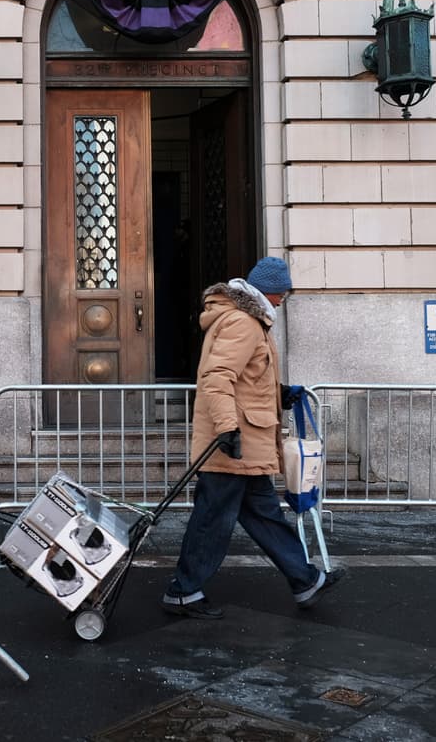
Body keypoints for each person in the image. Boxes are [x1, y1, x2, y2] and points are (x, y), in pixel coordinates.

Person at [161, 256, 345, 619]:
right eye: (282, 293)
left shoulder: (249, 320)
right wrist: (227, 428)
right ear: (268, 291)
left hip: (247, 443)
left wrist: (279, 393)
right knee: (213, 521)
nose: (284, 299)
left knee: (264, 516)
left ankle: (305, 580)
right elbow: (217, 377)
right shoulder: (243, 322)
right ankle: (183, 591)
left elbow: (248, 378)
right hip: (235, 443)